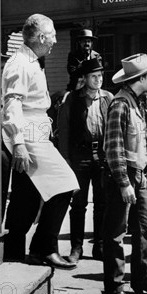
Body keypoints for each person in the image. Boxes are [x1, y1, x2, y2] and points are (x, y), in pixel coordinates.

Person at [2, 14, 79, 269]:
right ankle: (44, 248)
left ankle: (13, 252)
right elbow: (12, 104)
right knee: (65, 183)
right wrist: (19, 143)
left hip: (36, 133)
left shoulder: (32, 60)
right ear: (42, 37)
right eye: (53, 35)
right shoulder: (21, 63)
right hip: (29, 135)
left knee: (27, 196)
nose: (55, 41)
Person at [103, 53, 147, 294]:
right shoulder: (120, 104)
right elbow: (114, 148)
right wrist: (123, 183)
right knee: (116, 233)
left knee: (145, 227)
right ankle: (115, 287)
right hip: (124, 174)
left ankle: (142, 279)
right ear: (140, 78)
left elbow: (146, 138)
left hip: (139, 173)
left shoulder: (138, 102)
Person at [58, 58, 114, 263]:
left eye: (100, 76)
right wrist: (65, 159)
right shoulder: (72, 99)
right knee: (79, 204)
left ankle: (99, 246)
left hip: (102, 156)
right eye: (93, 76)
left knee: (102, 203)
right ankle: (76, 247)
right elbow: (63, 131)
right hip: (80, 157)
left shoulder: (108, 98)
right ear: (85, 78)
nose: (98, 80)